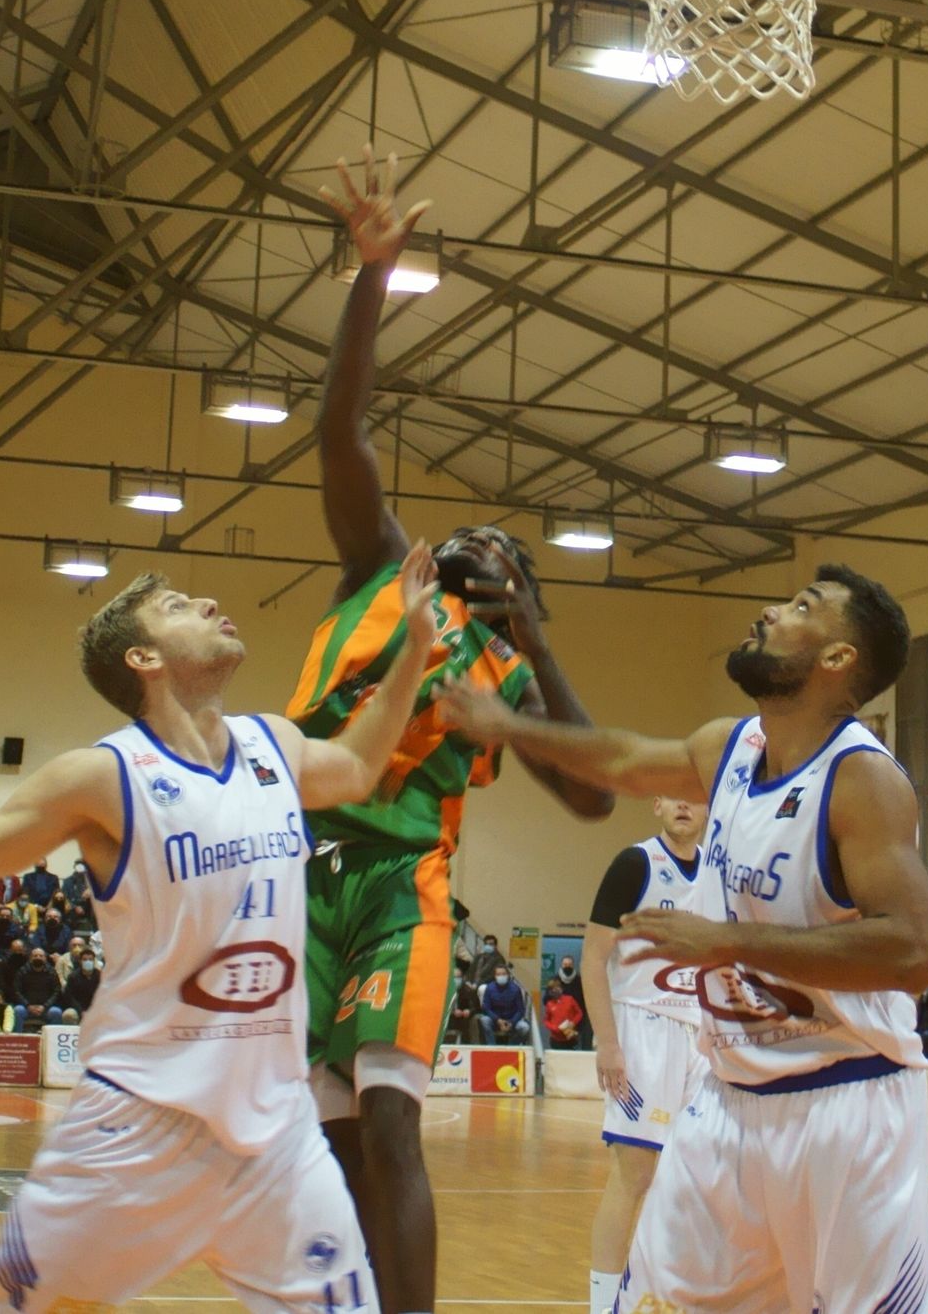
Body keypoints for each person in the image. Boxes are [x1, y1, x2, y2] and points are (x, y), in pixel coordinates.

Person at [0, 544, 445, 1312]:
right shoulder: (102, 777)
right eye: (181, 606)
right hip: (139, 1130)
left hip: (278, 1136)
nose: (211, 603)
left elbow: (356, 768)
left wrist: (415, 646)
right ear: (143, 656)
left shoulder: (273, 746)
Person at [438, 562, 928, 1314]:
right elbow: (616, 759)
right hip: (727, 1102)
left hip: (847, 1103)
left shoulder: (863, 782)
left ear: (837, 659)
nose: (773, 611)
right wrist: (513, 712)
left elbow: (910, 956)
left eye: (802, 607)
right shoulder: (731, 748)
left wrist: (726, 944)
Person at [297, 147, 611, 1314]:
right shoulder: (380, 567)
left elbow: (589, 800)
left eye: (508, 547)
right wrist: (370, 277)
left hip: (397, 882)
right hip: (301, 862)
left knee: (390, 1129)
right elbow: (340, 427)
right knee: (327, 1145)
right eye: (472, 528)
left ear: (520, 587)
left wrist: (533, 642)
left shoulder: (510, 670)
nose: (482, 536)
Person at [580, 794, 709, 1314]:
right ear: (657, 806)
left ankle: (675, 1295)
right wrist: (608, 1042)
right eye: (673, 796)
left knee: (700, 1176)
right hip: (642, 1027)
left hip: (699, 1034)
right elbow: (593, 959)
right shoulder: (636, 864)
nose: (684, 806)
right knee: (635, 1175)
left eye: (695, 796)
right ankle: (604, 1304)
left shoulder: (718, 869)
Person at [477, 965, 529, 1045]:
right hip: (495, 1020)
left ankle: (512, 1046)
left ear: (508, 975)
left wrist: (511, 1022)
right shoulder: (489, 988)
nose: (501, 976)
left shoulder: (515, 989)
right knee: (484, 1020)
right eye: (498, 974)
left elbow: (520, 1010)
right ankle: (492, 1046)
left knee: (525, 1028)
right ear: (494, 976)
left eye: (503, 974)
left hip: (512, 1021)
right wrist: (498, 1020)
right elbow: (486, 1008)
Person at [444, 966, 480, 1045]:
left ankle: (473, 1045)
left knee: (474, 1020)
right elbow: (440, 1007)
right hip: (448, 1017)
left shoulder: (468, 990)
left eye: (459, 977)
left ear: (463, 978)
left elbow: (476, 1007)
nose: (456, 980)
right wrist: (452, 1011)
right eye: (454, 977)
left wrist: (469, 1011)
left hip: (464, 1018)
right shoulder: (444, 990)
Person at [542, 979, 582, 1051]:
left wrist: (573, 1023)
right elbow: (546, 1020)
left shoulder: (570, 999)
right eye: (553, 989)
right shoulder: (549, 1004)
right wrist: (554, 1028)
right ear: (550, 992)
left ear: (561, 988)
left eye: (557, 987)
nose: (555, 990)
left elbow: (579, 1013)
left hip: (570, 1038)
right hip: (555, 1040)